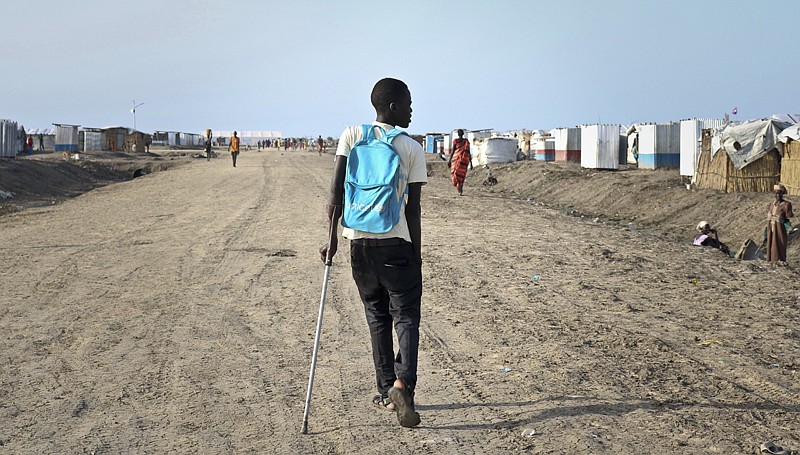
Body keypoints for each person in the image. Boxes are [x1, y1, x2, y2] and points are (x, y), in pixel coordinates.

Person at [320, 78, 427, 428]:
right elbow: (413, 210)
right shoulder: (410, 147)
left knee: (377, 317)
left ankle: (385, 392)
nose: (411, 110)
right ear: (393, 106)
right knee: (406, 317)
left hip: (359, 245)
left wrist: (333, 239)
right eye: (408, 104)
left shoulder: (351, 135)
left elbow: (336, 192)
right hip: (396, 244)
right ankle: (402, 385)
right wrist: (417, 253)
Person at [765, 184, 794, 262]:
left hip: (780, 229)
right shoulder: (772, 204)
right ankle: (771, 260)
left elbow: (788, 218)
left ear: (782, 194)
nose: (778, 195)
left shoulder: (786, 204)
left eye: (780, 193)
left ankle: (779, 260)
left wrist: (789, 228)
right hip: (771, 228)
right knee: (771, 244)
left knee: (780, 244)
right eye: (776, 193)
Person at [447, 129, 473, 195]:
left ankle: (459, 187)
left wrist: (449, 160)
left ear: (458, 134)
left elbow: (453, 151)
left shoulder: (456, 141)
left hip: (456, 160)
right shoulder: (466, 141)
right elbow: (468, 152)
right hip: (464, 161)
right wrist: (471, 162)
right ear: (463, 134)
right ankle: (460, 187)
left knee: (455, 173)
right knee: (462, 175)